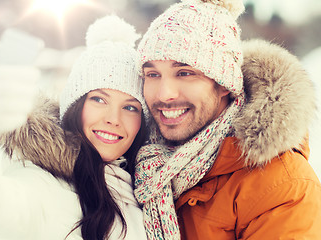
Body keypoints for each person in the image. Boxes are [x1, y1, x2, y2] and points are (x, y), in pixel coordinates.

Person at [0, 15, 148, 240]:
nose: (114, 119)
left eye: (130, 108)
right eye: (99, 100)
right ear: (75, 105)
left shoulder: (148, 191)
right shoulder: (44, 185)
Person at [133, 0, 321, 239]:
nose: (163, 93)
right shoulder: (139, 160)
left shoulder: (283, 186)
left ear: (224, 85)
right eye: (152, 74)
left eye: (185, 73)